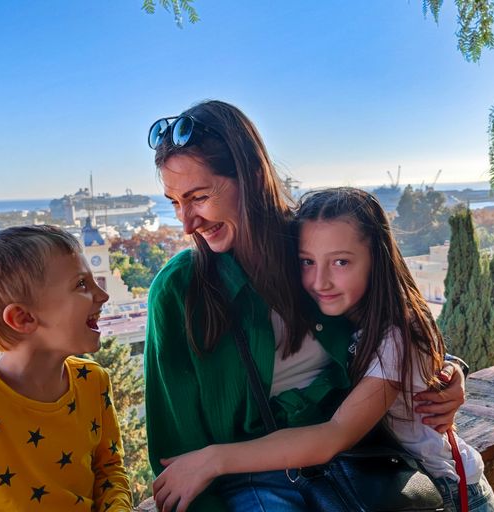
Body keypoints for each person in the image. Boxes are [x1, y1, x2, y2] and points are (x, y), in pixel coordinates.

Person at [145, 101, 468, 511]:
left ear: (251, 177)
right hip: (251, 483)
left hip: (357, 463)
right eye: (174, 202)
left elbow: (389, 317)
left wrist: (444, 371)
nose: (187, 223)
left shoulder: (314, 249)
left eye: (199, 197)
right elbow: (178, 455)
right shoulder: (178, 291)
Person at [0, 225, 131, 511]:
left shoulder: (93, 381)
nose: (102, 295)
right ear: (23, 318)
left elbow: (109, 469)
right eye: (81, 284)